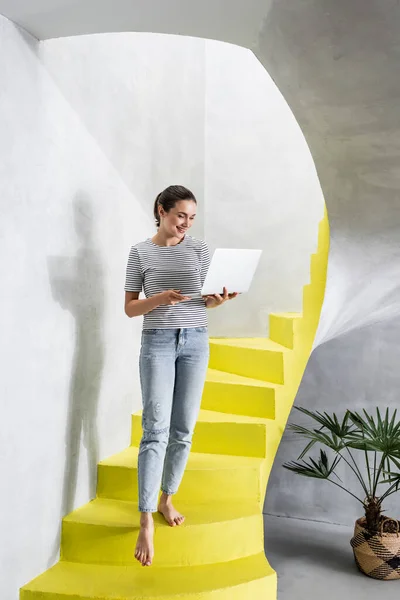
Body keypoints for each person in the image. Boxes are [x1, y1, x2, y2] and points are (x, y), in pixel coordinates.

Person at [124, 185, 238, 567]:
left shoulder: (200, 250)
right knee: (155, 429)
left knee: (183, 428)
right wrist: (161, 298)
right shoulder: (140, 252)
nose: (186, 224)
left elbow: (203, 298)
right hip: (156, 342)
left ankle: (166, 498)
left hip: (195, 342)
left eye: (191, 218)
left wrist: (217, 301)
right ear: (161, 210)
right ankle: (145, 519)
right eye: (179, 216)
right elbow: (130, 308)